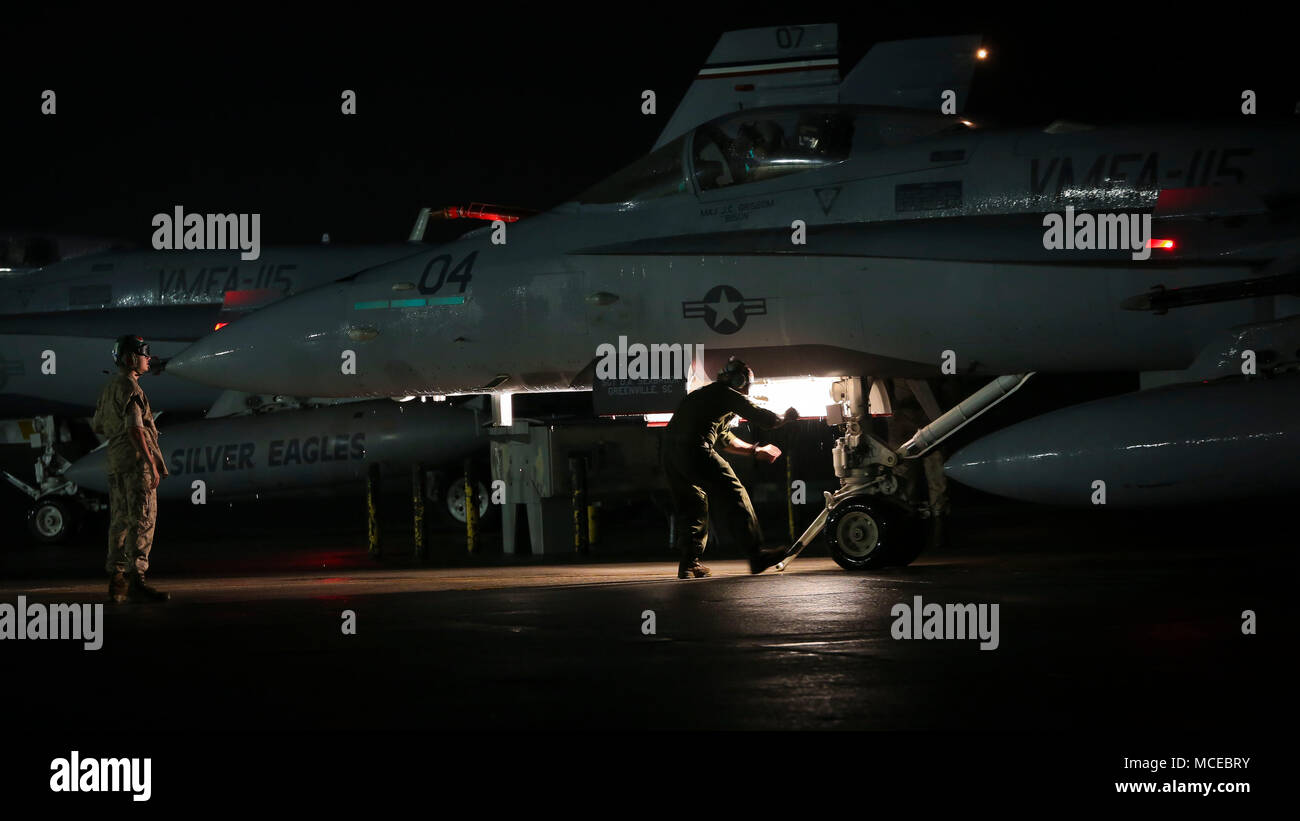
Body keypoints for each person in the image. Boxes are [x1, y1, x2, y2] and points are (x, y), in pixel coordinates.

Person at [662, 357, 799, 578]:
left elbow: (725, 439)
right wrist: (786, 418)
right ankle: (756, 556)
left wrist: (754, 451)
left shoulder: (708, 396)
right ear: (741, 381)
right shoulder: (727, 395)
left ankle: (689, 562)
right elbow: (764, 418)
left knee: (693, 502)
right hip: (695, 449)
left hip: (670, 454)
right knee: (735, 492)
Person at [91, 335, 169, 603]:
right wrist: (151, 462)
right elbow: (135, 428)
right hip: (136, 465)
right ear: (130, 359)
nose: (148, 357)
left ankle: (117, 581)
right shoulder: (131, 389)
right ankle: (138, 580)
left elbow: (98, 425)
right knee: (142, 519)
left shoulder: (110, 387)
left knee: (120, 522)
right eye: (143, 352)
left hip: (115, 461)